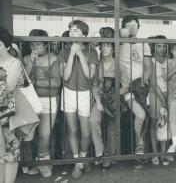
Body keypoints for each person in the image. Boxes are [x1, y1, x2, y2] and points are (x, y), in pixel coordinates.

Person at [59, 20, 98, 179]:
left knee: (86, 132)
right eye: (70, 30)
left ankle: (82, 157)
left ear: (84, 34)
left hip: (84, 93)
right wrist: (72, 54)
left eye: (75, 30)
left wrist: (80, 53)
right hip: (68, 92)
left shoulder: (92, 51)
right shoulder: (64, 50)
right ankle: (78, 162)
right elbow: (65, 76)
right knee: (72, 130)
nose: (71, 32)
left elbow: (89, 76)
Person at [23, 29, 61, 177]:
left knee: (45, 134)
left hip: (48, 100)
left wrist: (35, 82)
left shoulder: (53, 59)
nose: (34, 48)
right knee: (31, 135)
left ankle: (43, 164)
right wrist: (31, 63)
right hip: (30, 101)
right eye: (32, 44)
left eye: (38, 45)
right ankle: (37, 163)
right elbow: (24, 80)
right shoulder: (26, 59)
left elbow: (56, 82)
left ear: (46, 45)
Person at [119, 15, 152, 155]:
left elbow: (148, 67)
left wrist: (141, 83)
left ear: (139, 26)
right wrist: (120, 37)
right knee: (140, 115)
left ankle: (141, 147)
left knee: (144, 117)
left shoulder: (143, 44)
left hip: (140, 86)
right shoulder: (118, 42)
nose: (131, 27)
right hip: (125, 87)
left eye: (134, 24)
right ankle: (139, 144)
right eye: (128, 25)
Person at [0, 26, 24, 183]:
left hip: (9, 115)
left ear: (7, 46)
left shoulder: (14, 63)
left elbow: (8, 88)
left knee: (10, 152)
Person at [89, 38, 117, 169]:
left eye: (108, 46)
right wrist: (98, 102)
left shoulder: (117, 64)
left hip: (114, 101)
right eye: (103, 46)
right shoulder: (97, 64)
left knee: (112, 129)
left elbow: (124, 84)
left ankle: (109, 156)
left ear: (113, 48)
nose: (105, 48)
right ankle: (99, 151)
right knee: (93, 120)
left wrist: (116, 99)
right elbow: (94, 85)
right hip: (100, 99)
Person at [147, 35, 171, 165]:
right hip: (156, 94)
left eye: (163, 46)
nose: (161, 49)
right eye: (158, 46)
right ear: (153, 47)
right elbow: (152, 83)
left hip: (168, 95)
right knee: (154, 123)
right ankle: (155, 153)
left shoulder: (170, 60)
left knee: (165, 124)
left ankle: (164, 152)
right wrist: (163, 99)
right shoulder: (150, 61)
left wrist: (169, 98)